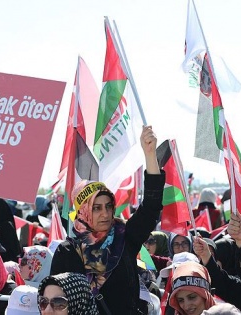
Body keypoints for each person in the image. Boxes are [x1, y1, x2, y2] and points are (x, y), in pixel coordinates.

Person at [50, 126, 164, 315]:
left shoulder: (125, 237)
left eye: (108, 206)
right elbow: (57, 302)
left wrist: (150, 155)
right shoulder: (68, 251)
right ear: (83, 212)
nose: (105, 213)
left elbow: (151, 207)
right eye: (96, 208)